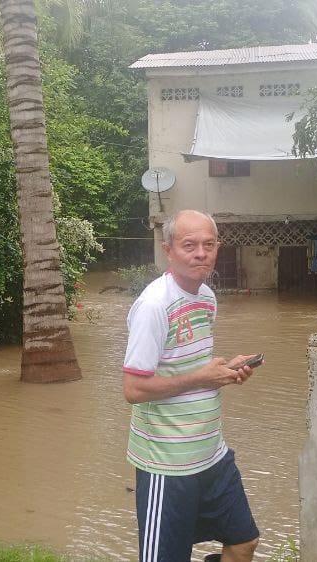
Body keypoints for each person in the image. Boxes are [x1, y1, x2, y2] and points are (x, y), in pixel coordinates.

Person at [121, 210, 261, 562]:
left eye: (208, 245)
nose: (201, 253)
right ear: (168, 250)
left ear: (217, 249)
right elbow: (134, 390)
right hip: (167, 463)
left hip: (212, 454)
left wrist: (225, 371)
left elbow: (190, 367)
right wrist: (202, 378)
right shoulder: (153, 305)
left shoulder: (206, 298)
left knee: (244, 543)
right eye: (189, 245)